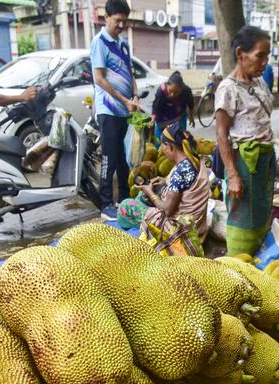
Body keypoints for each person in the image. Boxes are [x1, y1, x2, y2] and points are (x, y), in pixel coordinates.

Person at [215, 25, 275, 256]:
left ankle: (256, 258)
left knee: (261, 210)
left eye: (267, 57)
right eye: (260, 56)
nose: (264, 62)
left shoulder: (259, 82)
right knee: (243, 216)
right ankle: (237, 263)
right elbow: (222, 134)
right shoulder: (228, 89)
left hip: (264, 160)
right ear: (241, 54)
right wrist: (233, 175)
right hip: (244, 162)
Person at [117, 122, 210, 242]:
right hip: (196, 223)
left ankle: (143, 234)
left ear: (169, 146)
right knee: (141, 196)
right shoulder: (193, 160)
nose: (163, 150)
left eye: (163, 146)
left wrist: (150, 192)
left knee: (125, 206)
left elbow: (167, 210)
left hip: (178, 228)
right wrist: (165, 180)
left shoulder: (180, 172)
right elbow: (187, 182)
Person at [90, 0, 140, 220]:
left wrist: (135, 96)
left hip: (124, 111)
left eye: (124, 21)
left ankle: (125, 198)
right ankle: (105, 204)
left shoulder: (123, 44)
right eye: (117, 20)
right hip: (108, 109)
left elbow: (130, 73)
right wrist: (123, 99)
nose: (121, 25)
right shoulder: (99, 42)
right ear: (106, 18)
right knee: (109, 157)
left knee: (123, 159)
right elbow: (99, 79)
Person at [151, 71, 195, 140]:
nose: (172, 95)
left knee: (179, 139)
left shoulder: (186, 91)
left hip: (179, 118)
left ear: (181, 88)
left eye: (176, 92)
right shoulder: (161, 91)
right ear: (167, 86)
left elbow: (191, 105)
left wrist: (191, 118)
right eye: (170, 91)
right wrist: (152, 120)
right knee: (158, 141)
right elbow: (156, 107)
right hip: (163, 119)